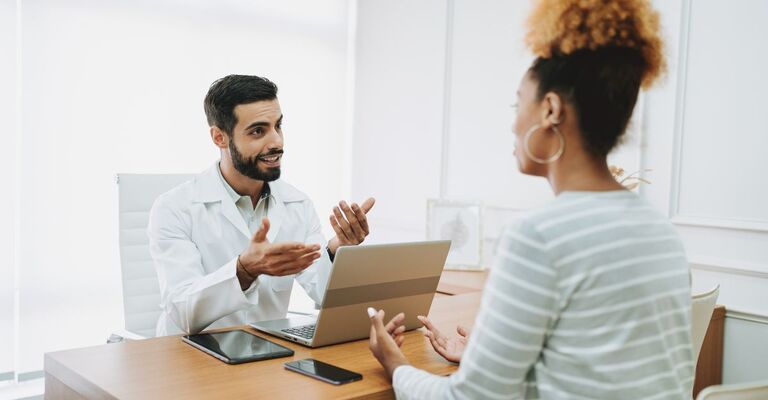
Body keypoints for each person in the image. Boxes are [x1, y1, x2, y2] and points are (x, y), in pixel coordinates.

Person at [368, 0, 694, 398]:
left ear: (551, 110)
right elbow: (608, 372)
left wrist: (394, 364)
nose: (513, 122)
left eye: (517, 103)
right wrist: (486, 360)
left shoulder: (539, 236)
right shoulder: (661, 230)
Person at [148, 75, 374, 336]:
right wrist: (244, 270)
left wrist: (337, 249)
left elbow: (322, 292)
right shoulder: (174, 208)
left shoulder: (297, 204)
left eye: (278, 126)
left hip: (265, 354)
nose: (276, 141)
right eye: (258, 131)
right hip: (191, 359)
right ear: (219, 137)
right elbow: (181, 312)